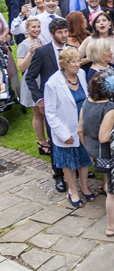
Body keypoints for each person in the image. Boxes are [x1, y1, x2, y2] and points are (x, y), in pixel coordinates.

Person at [79, 70, 114, 237]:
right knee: (113, 190)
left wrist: (90, 150)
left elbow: (80, 130)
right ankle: (112, 226)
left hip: (95, 151)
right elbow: (104, 137)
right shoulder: (108, 107)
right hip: (109, 154)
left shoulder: (87, 102)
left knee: (112, 185)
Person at [44, 47, 93, 207]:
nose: (77, 64)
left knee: (84, 159)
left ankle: (85, 187)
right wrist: (63, 134)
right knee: (69, 162)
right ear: (63, 64)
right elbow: (50, 113)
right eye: (72, 62)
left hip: (83, 126)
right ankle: (73, 190)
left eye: (78, 60)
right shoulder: (52, 83)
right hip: (65, 129)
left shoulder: (82, 74)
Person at [26, 18, 70, 191]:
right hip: (52, 103)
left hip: (71, 102)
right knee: (56, 138)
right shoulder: (43, 52)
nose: (64, 35)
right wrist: (40, 99)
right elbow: (30, 77)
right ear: (52, 34)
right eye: (60, 32)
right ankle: (58, 174)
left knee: (73, 134)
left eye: (66, 31)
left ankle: (74, 168)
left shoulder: (72, 50)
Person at [17, 17, 48, 154]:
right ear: (27, 29)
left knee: (48, 113)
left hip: (45, 79)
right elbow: (21, 67)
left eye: (38, 26)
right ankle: (42, 142)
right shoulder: (23, 45)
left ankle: (51, 139)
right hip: (33, 81)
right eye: (33, 27)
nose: (36, 29)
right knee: (38, 114)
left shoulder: (42, 41)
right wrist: (30, 53)